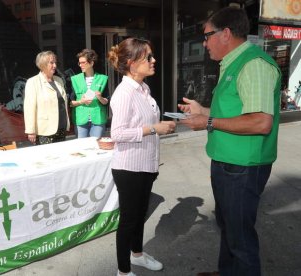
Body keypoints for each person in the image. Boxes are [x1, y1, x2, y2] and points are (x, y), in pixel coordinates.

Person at [178, 7, 281, 276]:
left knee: (241, 238)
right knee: (228, 226)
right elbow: (235, 112)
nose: (204, 42)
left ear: (225, 33)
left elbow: (260, 122)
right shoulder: (234, 62)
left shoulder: (253, 64)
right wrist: (203, 111)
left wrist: (208, 123)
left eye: (207, 35)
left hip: (243, 166)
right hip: (228, 161)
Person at [108, 37, 176, 276]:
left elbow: (144, 122)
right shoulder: (124, 92)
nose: (153, 60)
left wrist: (158, 125)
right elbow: (117, 133)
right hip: (129, 168)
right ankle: (123, 271)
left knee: (139, 216)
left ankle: (137, 255)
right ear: (131, 63)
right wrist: (154, 128)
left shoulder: (144, 88)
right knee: (128, 220)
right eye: (148, 57)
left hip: (146, 163)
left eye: (151, 55)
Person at [24, 51, 70, 145]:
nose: (55, 66)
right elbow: (29, 108)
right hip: (45, 130)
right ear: (42, 65)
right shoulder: (33, 82)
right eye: (51, 63)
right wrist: (30, 130)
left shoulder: (59, 80)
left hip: (61, 128)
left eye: (55, 63)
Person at [70, 49, 109, 138]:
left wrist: (100, 97)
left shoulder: (103, 78)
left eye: (83, 62)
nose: (80, 65)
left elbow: (106, 101)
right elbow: (70, 103)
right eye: (79, 63)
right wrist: (81, 101)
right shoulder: (75, 79)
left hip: (98, 119)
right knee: (82, 148)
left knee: (96, 147)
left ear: (91, 63)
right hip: (80, 119)